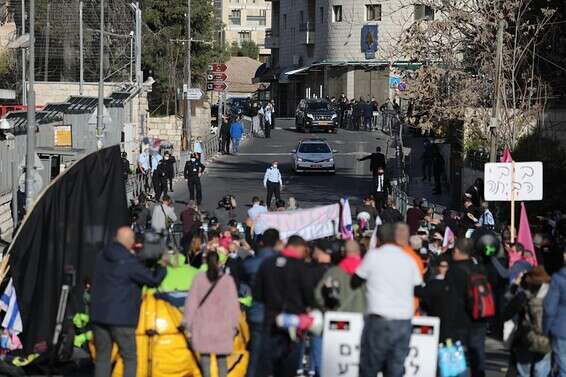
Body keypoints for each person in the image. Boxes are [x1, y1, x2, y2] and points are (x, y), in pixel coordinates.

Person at [91, 227, 166, 377]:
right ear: (130, 241)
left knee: (102, 358)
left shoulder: (101, 255)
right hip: (121, 318)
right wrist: (161, 266)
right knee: (130, 358)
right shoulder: (129, 262)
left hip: (98, 316)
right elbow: (153, 280)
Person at [352, 223, 423, 377]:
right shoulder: (409, 259)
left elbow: (355, 281)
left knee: (370, 367)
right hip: (403, 321)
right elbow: (418, 289)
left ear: (378, 239)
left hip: (379, 319)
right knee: (396, 369)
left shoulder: (373, 256)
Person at [254, 236, 313, 377]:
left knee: (269, 367)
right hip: (293, 325)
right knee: (289, 368)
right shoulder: (301, 267)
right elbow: (309, 295)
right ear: (298, 247)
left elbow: (257, 294)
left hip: (270, 322)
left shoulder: (267, 264)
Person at [183, 251, 240, 377]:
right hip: (222, 326)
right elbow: (233, 305)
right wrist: (235, 324)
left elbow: (191, 303)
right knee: (222, 361)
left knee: (205, 360)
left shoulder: (198, 279)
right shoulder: (227, 280)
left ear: (205, 262)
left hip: (203, 325)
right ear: (219, 262)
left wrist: (187, 322)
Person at [445, 238, 489, 377]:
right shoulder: (480, 269)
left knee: (457, 356)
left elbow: (449, 296)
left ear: (457, 251)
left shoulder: (453, 270)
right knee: (477, 355)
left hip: (459, 318)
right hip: (479, 317)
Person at [241, 229, 282, 377]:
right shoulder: (282, 263)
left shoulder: (251, 264)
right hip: (279, 314)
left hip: (257, 313)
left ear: (262, 243)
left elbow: (243, 284)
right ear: (278, 242)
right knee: (279, 357)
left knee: (255, 356)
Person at [504, 266, 552, 377]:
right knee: (541, 371)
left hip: (525, 339)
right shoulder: (553, 294)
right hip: (546, 339)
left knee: (523, 372)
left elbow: (506, 314)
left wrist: (514, 286)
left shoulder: (524, 295)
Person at [315, 239, 366, 313]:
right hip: (364, 318)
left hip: (340, 318)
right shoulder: (368, 271)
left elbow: (319, 295)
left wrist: (328, 308)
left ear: (343, 253)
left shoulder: (334, 272)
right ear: (359, 252)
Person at [544, 247, 566, 377]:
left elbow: (549, 309)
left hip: (561, 330)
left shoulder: (558, 279)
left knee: (563, 368)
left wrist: (546, 330)